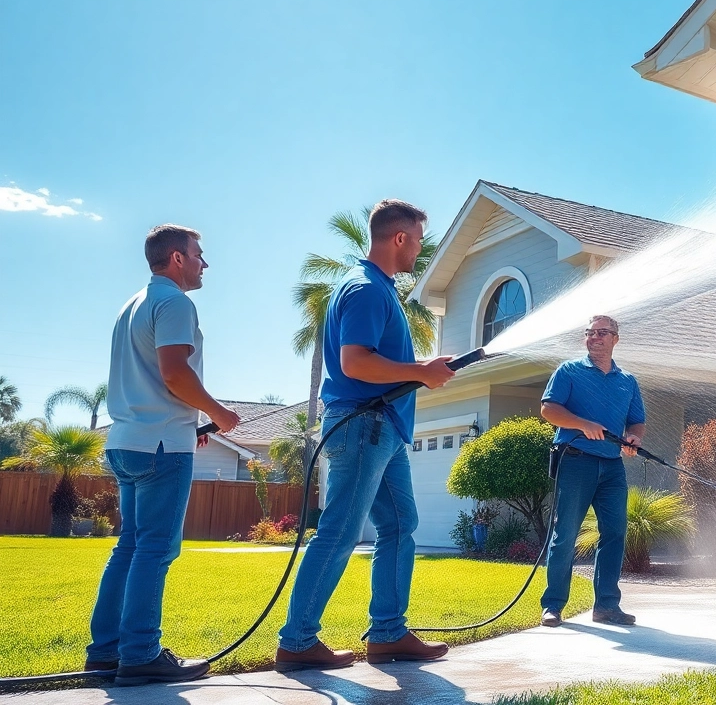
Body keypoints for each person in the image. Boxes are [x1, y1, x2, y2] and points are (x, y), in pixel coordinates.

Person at [274, 199, 456, 671]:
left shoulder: (378, 288)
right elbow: (355, 362)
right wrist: (421, 371)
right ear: (399, 237)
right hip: (363, 425)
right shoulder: (366, 289)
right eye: (418, 240)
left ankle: (389, 633)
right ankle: (297, 642)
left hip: (381, 427)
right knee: (339, 531)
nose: (419, 249)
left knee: (399, 525)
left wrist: (423, 370)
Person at [87, 225, 241, 686]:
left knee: (130, 546)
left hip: (127, 440)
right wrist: (217, 413)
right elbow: (174, 373)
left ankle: (106, 651)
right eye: (198, 254)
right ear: (177, 258)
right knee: (155, 549)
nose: (204, 263)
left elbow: (154, 380)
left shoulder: (132, 304)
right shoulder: (175, 303)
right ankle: (140, 655)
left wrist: (189, 423)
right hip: (160, 448)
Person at [538, 314, 645, 628]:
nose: (594, 337)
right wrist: (583, 424)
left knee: (614, 533)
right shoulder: (568, 371)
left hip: (612, 466)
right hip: (575, 461)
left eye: (602, 332)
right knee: (565, 534)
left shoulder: (627, 381)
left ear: (615, 339)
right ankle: (553, 605)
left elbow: (636, 421)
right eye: (590, 332)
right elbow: (548, 409)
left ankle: (607, 607)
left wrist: (634, 438)